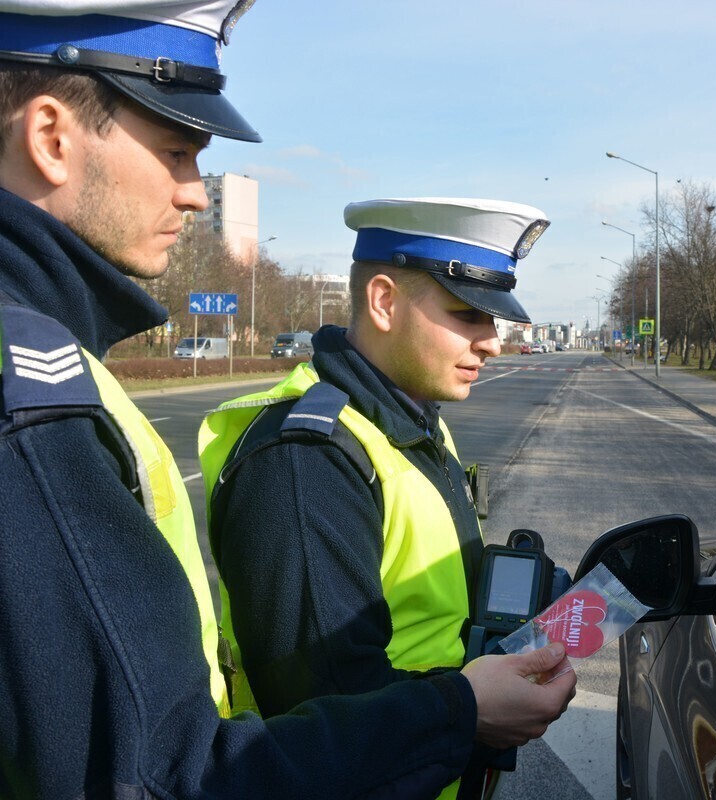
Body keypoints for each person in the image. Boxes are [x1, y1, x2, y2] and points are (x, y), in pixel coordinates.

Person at [0, 3, 575, 797]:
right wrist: (460, 710)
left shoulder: (23, 361)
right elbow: (162, 776)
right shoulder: (15, 409)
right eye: (176, 152)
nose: (195, 194)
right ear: (51, 138)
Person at [199, 197, 553, 797]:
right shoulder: (306, 461)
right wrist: (473, 706)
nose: (492, 341)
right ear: (384, 301)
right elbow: (327, 713)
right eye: (468, 313)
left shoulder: (410, 419)